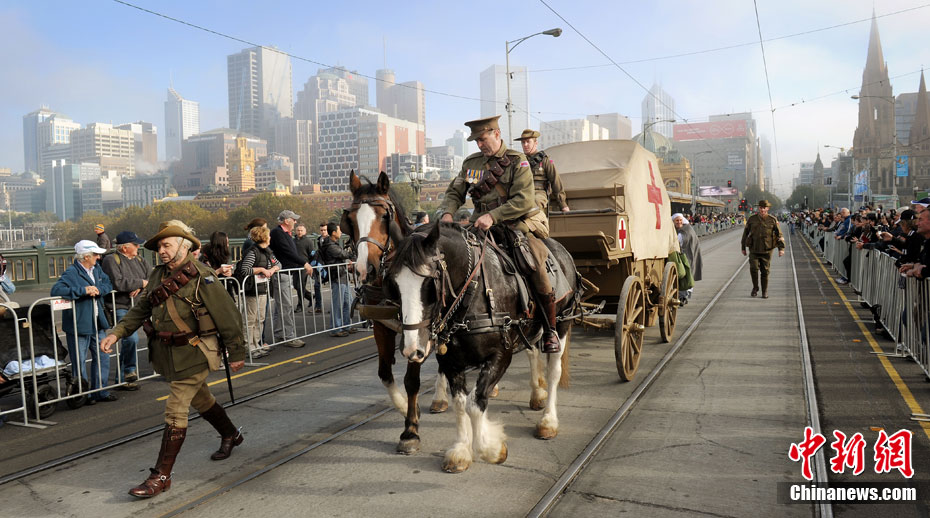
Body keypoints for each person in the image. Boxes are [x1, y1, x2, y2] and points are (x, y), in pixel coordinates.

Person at [99, 220, 246, 498]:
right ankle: (231, 435)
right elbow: (141, 308)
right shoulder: (158, 275)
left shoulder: (202, 276)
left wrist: (237, 352)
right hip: (169, 354)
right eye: (159, 247)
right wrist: (116, 333)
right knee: (202, 399)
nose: (162, 251)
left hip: (195, 352)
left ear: (184, 245)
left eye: (166, 245)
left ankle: (161, 476)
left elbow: (228, 317)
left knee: (175, 409)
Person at [438, 115, 561, 353]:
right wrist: (448, 213)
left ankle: (550, 329)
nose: (479, 145)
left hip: (513, 224)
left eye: (483, 139)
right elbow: (455, 192)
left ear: (496, 134)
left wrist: (493, 216)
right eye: (476, 141)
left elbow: (524, 200)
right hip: (478, 225)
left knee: (532, 261)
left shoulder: (517, 161)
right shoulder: (471, 163)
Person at [52, 240, 117, 404]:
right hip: (78, 324)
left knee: (102, 357)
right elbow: (56, 290)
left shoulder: (97, 269)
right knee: (79, 361)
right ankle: (83, 394)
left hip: (97, 322)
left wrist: (98, 290)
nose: (98, 257)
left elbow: (108, 284)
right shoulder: (71, 272)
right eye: (95, 254)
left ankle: (100, 391)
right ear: (85, 257)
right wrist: (83, 291)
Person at [100, 231, 152, 390]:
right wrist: (141, 283)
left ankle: (124, 379)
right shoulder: (111, 260)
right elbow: (118, 283)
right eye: (135, 244)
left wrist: (141, 286)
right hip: (119, 306)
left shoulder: (140, 259)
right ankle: (128, 371)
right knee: (131, 338)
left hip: (138, 305)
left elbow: (152, 279)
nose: (138, 247)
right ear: (124, 248)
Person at [268, 210, 312, 348]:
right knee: (286, 306)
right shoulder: (278, 233)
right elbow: (288, 252)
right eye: (293, 219)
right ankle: (289, 336)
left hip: (284, 273)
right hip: (282, 273)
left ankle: (279, 333)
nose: (295, 222)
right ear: (286, 221)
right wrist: (304, 263)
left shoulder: (284, 233)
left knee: (280, 306)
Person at [237, 226, 280, 358]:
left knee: (260, 319)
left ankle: (257, 344)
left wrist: (272, 270)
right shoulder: (253, 252)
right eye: (268, 235)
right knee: (250, 320)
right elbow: (245, 270)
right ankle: (248, 346)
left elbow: (278, 264)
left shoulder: (268, 252)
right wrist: (261, 269)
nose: (270, 237)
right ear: (264, 237)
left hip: (263, 289)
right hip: (252, 290)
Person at [513, 128, 570, 214]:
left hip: (538, 192)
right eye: (523, 142)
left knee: (534, 202)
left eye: (528, 142)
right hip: (522, 192)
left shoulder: (545, 160)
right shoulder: (519, 162)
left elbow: (555, 181)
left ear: (535, 143)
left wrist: (563, 204)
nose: (525, 145)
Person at [741, 200, 785, 298]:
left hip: (767, 249)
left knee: (765, 271)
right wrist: (743, 247)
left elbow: (779, 235)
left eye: (764, 208)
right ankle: (755, 287)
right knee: (753, 269)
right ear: (758, 208)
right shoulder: (752, 219)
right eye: (760, 208)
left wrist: (781, 248)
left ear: (767, 208)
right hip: (754, 248)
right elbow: (745, 234)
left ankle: (764, 291)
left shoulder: (772, 220)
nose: (762, 210)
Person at [320, 222, 355, 337]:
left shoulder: (333, 244)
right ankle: (336, 328)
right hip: (337, 278)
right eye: (339, 230)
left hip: (343, 276)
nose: (341, 232)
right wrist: (352, 254)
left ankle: (346, 325)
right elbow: (344, 254)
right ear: (334, 233)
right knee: (338, 304)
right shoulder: (330, 246)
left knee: (347, 302)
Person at [672, 213, 702, 305]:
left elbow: (677, 244)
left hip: (686, 256)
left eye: (680, 220)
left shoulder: (684, 232)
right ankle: (684, 295)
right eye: (677, 221)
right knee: (688, 274)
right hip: (689, 255)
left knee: (684, 274)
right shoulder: (687, 229)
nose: (679, 222)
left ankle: (683, 296)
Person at [293, 223, 316, 312]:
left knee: (301, 285)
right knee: (295, 285)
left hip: (305, 267)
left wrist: (310, 266)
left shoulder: (308, 241)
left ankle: (300, 305)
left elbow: (312, 254)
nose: (299, 232)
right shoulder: (293, 241)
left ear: (305, 231)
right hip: (295, 266)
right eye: (298, 230)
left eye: (301, 230)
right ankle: (310, 296)